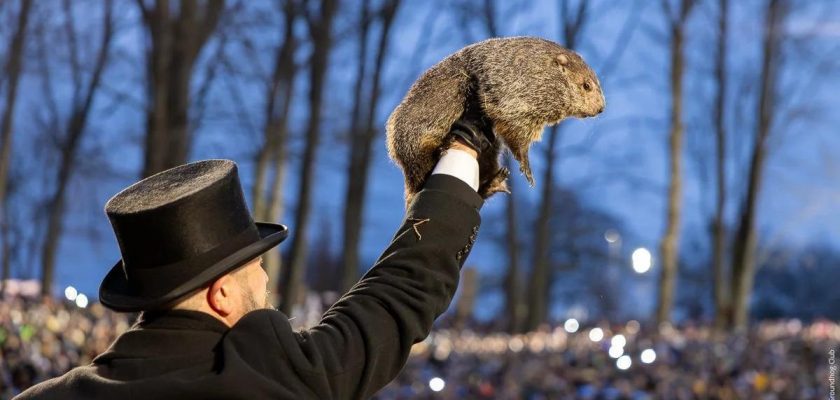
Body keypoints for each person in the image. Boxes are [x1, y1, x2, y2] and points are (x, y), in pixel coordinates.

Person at [15, 120, 493, 399]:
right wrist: (463, 154)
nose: (265, 283)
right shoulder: (269, 377)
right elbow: (399, 293)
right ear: (220, 293)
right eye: (254, 267)